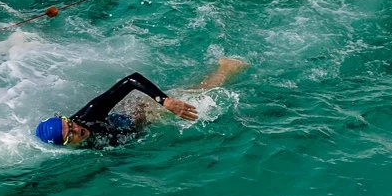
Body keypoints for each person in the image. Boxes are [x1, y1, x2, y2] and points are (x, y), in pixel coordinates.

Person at [35, 57, 247, 149]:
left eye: (70, 124)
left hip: (143, 112)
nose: (77, 129)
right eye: (69, 135)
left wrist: (164, 101)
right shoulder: (79, 149)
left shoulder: (88, 116)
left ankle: (228, 68)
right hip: (136, 129)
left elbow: (131, 80)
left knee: (197, 95)